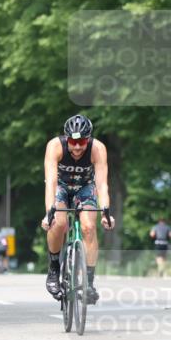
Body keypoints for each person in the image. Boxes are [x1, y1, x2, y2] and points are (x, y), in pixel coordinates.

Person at [40, 114, 114, 303]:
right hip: (61, 187)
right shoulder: (55, 146)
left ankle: (89, 282)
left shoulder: (97, 149)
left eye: (82, 141)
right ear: (67, 139)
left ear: (88, 139)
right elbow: (51, 183)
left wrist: (106, 211)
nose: (78, 146)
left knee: (89, 227)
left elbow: (102, 184)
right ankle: (54, 268)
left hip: (85, 187)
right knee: (59, 223)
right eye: (73, 141)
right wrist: (49, 212)